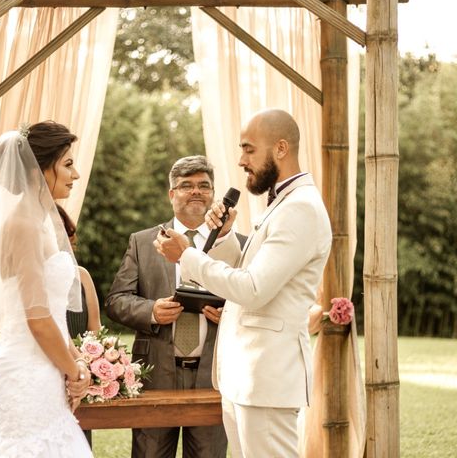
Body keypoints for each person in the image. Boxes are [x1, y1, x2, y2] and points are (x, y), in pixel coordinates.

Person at [155, 109, 333, 457]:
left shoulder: (300, 208)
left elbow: (253, 289)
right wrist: (222, 238)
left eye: (249, 149)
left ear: (281, 148)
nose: (241, 160)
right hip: (247, 376)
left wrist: (187, 255)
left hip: (267, 376)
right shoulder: (281, 203)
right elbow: (247, 273)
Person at [0, 121, 93, 457]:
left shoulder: (39, 223)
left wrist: (76, 360)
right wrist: (75, 371)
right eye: (67, 164)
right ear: (39, 168)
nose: (76, 174)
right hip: (25, 373)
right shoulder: (22, 224)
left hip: (47, 370)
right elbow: (37, 318)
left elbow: (53, 311)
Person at [106, 155, 238, 458]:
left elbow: (251, 297)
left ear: (214, 194)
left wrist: (229, 315)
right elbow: (116, 300)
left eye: (204, 186)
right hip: (155, 375)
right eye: (186, 185)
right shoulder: (142, 242)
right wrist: (151, 311)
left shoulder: (235, 243)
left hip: (214, 375)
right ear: (171, 194)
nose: (196, 192)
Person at [57, 204, 102, 338]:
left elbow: (95, 328)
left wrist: (88, 355)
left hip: (82, 356)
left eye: (60, 227)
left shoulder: (82, 275)